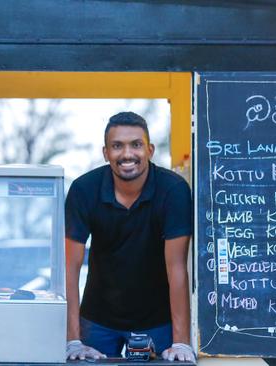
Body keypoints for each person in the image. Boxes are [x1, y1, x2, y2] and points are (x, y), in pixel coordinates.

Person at [64, 112, 195, 362]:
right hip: (98, 319)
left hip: (157, 320)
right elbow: (70, 268)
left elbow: (177, 267)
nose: (127, 154)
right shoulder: (84, 190)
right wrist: (73, 340)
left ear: (150, 150)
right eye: (117, 146)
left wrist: (181, 341)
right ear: (105, 153)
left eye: (136, 144)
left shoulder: (173, 190)